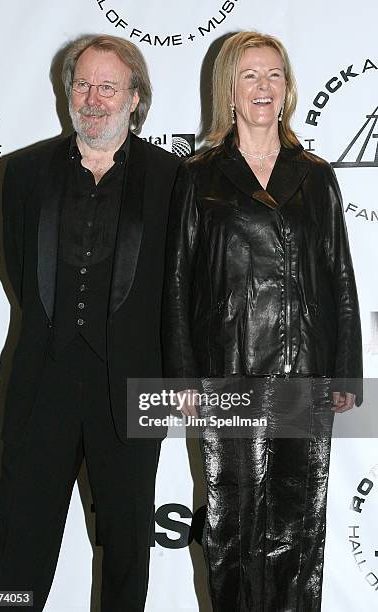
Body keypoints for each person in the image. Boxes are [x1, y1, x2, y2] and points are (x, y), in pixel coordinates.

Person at [163, 31, 362, 611]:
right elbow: (177, 283)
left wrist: (345, 371)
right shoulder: (198, 178)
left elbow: (340, 278)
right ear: (229, 90)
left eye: (274, 74)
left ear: (289, 88)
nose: (263, 86)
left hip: (304, 370)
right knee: (231, 526)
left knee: (299, 527)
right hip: (229, 371)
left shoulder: (317, 176)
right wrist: (182, 378)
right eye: (250, 75)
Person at [0, 34, 180, 611]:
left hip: (135, 389)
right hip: (41, 382)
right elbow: (20, 276)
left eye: (107, 87)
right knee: (17, 547)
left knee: (126, 550)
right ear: (68, 91)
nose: (92, 98)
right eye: (82, 84)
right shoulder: (20, 174)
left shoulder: (172, 181)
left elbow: (178, 291)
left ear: (135, 97)